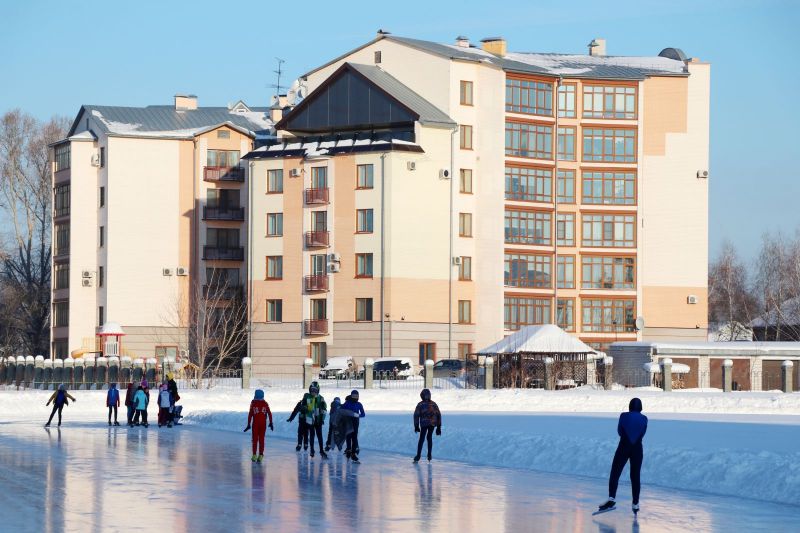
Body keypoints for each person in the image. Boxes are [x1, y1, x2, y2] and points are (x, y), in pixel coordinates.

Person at [598, 398, 648, 514]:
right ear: (641, 407)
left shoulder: (624, 416)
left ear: (630, 406)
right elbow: (643, 433)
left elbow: (620, 431)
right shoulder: (645, 419)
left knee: (615, 472)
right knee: (635, 476)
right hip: (637, 449)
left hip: (624, 446)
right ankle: (635, 504)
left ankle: (611, 499)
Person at [244, 389, 273, 462]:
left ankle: (254, 455)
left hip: (255, 424)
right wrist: (271, 422)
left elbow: (250, 414)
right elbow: (269, 413)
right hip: (263, 424)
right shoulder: (265, 403)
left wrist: (248, 424)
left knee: (255, 440)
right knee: (261, 439)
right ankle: (260, 455)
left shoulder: (253, 403)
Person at [413, 388, 442, 463]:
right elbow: (438, 415)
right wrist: (438, 427)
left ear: (422, 396)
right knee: (429, 437)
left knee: (422, 438)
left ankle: (418, 456)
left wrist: (416, 426)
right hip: (432, 423)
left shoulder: (420, 404)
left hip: (424, 423)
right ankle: (429, 455)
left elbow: (416, 415)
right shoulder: (434, 404)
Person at [302, 381, 328, 459]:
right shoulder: (307, 397)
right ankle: (312, 450)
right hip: (310, 420)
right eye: (312, 390)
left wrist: (322, 419)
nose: (313, 392)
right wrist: (304, 409)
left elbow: (324, 409)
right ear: (310, 390)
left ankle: (321, 450)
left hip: (318, 420)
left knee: (319, 436)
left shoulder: (321, 398)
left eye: (315, 390)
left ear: (318, 390)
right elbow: (303, 407)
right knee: (312, 435)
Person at [341, 390, 365, 462]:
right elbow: (341, 410)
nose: (355, 397)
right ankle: (348, 450)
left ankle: (353, 453)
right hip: (348, 421)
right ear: (351, 396)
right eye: (354, 396)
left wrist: (358, 415)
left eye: (356, 396)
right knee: (348, 436)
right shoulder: (347, 403)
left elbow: (363, 414)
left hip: (355, 422)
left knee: (354, 437)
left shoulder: (359, 404)